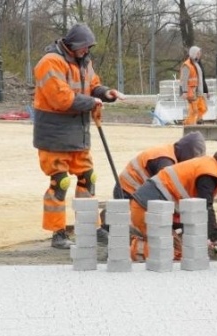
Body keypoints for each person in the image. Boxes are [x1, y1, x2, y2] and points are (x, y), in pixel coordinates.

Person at [33, 23, 124, 249]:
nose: (87, 51)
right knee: (60, 182)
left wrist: (105, 93)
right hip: (54, 135)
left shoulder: (84, 61)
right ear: (71, 45)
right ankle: (58, 233)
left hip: (78, 134)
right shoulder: (49, 63)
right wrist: (92, 102)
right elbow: (61, 99)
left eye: (88, 48)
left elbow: (93, 85)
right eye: (84, 47)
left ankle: (89, 227)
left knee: (88, 179)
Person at [129, 148, 217, 261]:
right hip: (145, 209)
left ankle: (142, 256)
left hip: (147, 206)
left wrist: (200, 235)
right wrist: (215, 238)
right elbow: (206, 207)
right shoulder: (209, 174)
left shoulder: (204, 164)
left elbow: (195, 207)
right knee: (173, 251)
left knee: (176, 248)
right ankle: (137, 257)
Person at [115, 132, 206, 199]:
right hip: (127, 191)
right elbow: (164, 190)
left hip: (131, 189)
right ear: (187, 153)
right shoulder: (165, 160)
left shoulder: (171, 153)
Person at [180, 46, 208, 125]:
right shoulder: (187, 65)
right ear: (194, 54)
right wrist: (184, 92)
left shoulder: (196, 64)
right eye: (198, 53)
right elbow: (184, 80)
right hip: (191, 91)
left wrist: (205, 91)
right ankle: (190, 124)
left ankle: (194, 121)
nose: (200, 55)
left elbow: (201, 78)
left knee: (203, 108)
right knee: (193, 110)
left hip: (198, 91)